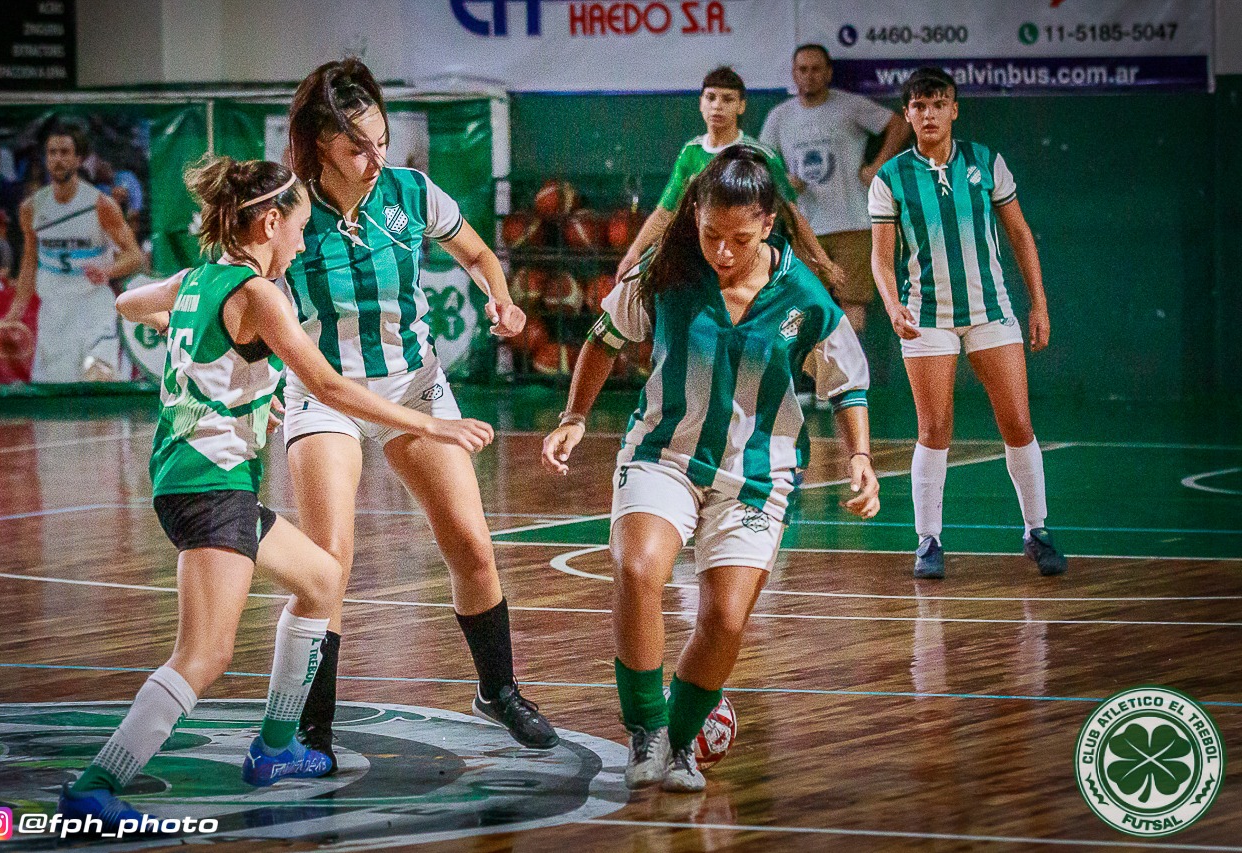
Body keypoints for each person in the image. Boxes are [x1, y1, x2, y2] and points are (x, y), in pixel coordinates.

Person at [57, 155, 495, 831]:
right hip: (209, 485)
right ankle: (97, 783)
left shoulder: (197, 280)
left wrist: (207, 367)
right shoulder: (261, 295)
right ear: (269, 223)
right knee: (205, 653)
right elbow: (329, 385)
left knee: (322, 579)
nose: (301, 240)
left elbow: (128, 303)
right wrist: (429, 423)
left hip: (197, 480)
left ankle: (276, 747)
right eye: (297, 227)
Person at [542, 146, 880, 792]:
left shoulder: (805, 297)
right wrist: (575, 415)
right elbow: (603, 338)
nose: (722, 251)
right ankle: (647, 731)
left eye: (740, 239)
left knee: (724, 619)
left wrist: (860, 456)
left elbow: (847, 383)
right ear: (694, 215)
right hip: (663, 454)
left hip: (757, 475)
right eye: (710, 234)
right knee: (638, 568)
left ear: (769, 224)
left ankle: (680, 740)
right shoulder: (665, 270)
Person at [282, 58, 559, 767]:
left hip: (414, 385)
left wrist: (502, 299)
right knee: (329, 562)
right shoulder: (288, 211)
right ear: (319, 145)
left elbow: (478, 253)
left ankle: (498, 691)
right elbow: (239, 286)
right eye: (358, 147)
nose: (376, 159)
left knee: (471, 544)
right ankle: (313, 730)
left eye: (382, 141)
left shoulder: (410, 191)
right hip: (327, 394)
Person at [867, 68, 1067, 580]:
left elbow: (1020, 235)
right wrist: (892, 306)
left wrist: (1039, 303)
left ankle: (1037, 531)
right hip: (926, 318)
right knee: (934, 429)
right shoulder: (890, 178)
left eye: (939, 104)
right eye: (919, 106)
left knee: (1017, 423)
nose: (929, 114)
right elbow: (881, 260)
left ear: (954, 110)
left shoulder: (985, 162)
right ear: (908, 114)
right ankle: (928, 540)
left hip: (991, 312)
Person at [617, 66, 845, 293]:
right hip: (700, 264)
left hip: (747, 264)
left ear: (741, 106)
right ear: (701, 103)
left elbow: (792, 214)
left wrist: (823, 261)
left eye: (727, 99)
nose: (717, 106)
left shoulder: (760, 155)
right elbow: (666, 211)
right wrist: (634, 252)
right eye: (711, 97)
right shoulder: (691, 152)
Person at [760, 44, 911, 333]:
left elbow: (900, 125)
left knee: (852, 305)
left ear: (829, 73)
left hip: (853, 223)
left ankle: (849, 364)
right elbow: (761, 162)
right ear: (794, 74)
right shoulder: (780, 116)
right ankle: (815, 365)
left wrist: (878, 165)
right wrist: (782, 181)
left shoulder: (850, 105)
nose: (809, 75)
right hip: (804, 227)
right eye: (803, 69)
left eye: (816, 69)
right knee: (805, 307)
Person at [1, 125, 143, 382]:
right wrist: (14, 313)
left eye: (65, 152)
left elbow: (135, 255)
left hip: (93, 307)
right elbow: (29, 262)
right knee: (58, 398)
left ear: (78, 159)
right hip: (54, 313)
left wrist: (108, 270)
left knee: (99, 378)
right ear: (46, 159)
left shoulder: (101, 205)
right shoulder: (31, 208)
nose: (58, 159)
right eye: (52, 152)